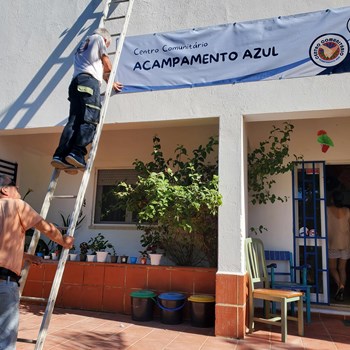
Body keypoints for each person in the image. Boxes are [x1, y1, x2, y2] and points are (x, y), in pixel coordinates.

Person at [0, 174, 74, 349]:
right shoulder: (17, 205)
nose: (18, 188)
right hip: (4, 282)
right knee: (5, 340)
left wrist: (25, 256)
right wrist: (64, 241)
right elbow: (45, 227)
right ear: (4, 190)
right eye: (14, 185)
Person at [51, 27, 123, 174]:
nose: (106, 47)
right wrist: (112, 79)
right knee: (90, 119)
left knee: (74, 121)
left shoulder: (83, 45)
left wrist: (108, 80)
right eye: (107, 45)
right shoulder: (98, 39)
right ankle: (77, 152)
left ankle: (60, 155)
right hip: (89, 83)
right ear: (106, 40)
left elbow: (96, 67)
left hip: (76, 83)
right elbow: (106, 63)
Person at [327, 190, 350, 302]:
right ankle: (341, 292)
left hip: (333, 243)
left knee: (332, 268)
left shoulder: (327, 210)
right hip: (345, 243)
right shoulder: (347, 210)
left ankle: (340, 286)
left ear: (332, 199)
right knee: (342, 268)